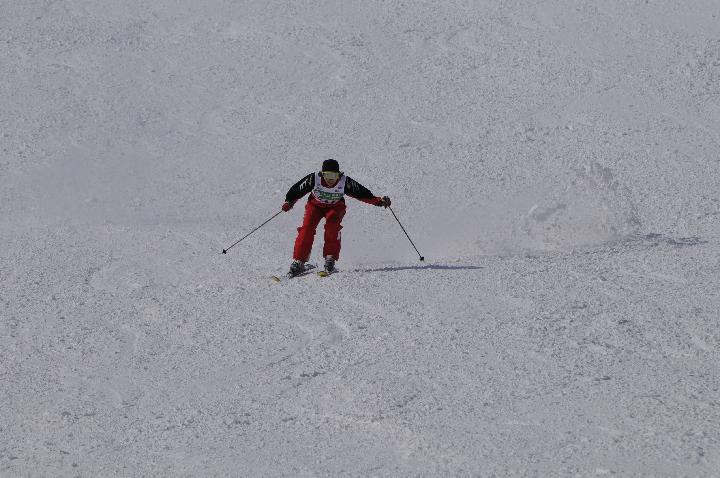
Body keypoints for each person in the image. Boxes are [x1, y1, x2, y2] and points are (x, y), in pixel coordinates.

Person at [281, 159, 390, 276]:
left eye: (334, 175)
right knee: (307, 228)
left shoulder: (344, 182)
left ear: (339, 175)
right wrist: (289, 201)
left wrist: (379, 201)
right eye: (327, 175)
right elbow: (298, 189)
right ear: (322, 174)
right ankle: (299, 261)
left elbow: (361, 193)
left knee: (332, 227)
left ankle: (330, 258)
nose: (330, 179)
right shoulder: (314, 178)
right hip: (315, 206)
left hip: (335, 207)